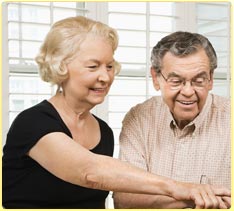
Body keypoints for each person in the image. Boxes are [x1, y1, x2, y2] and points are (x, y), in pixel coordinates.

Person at [2, 18, 230, 209]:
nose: (105, 77)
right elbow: (90, 172)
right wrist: (182, 188)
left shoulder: (103, 131)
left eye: (109, 66)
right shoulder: (31, 123)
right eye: (93, 67)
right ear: (60, 67)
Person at [113, 31, 231, 209]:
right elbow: (124, 199)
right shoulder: (138, 118)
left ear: (211, 79)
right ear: (156, 78)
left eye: (199, 80)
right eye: (176, 81)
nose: (188, 91)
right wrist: (195, 196)